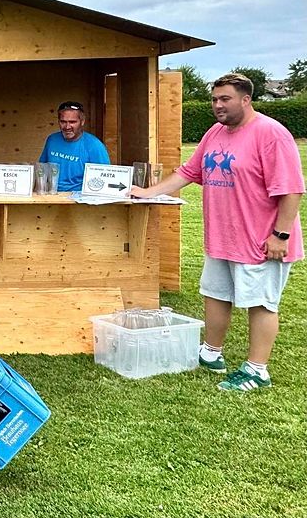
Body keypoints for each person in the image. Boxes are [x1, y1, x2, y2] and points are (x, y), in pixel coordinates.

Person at [130, 73, 304, 392]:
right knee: (215, 294)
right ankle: (211, 354)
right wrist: (149, 192)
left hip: (261, 241)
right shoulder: (216, 132)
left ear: (246, 99)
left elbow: (291, 189)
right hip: (223, 236)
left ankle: (257, 370)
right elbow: (188, 171)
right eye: (214, 100)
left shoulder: (271, 134)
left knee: (262, 303)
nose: (217, 106)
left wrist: (280, 236)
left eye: (225, 99)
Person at [39, 101, 110, 192]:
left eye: (72, 122)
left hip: (79, 198)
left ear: (82, 122)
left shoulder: (95, 146)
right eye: (63, 122)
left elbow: (104, 179)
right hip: (52, 194)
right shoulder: (52, 140)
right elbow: (41, 169)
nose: (67, 127)